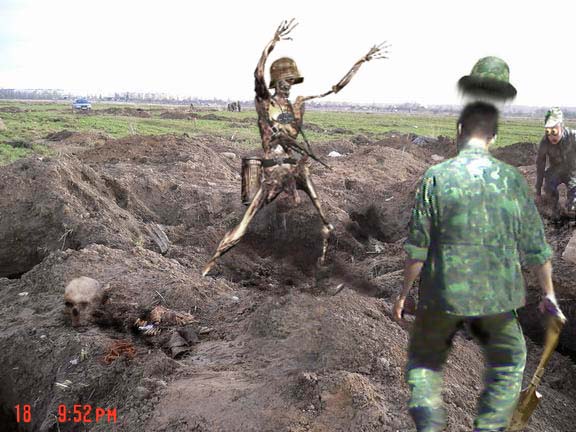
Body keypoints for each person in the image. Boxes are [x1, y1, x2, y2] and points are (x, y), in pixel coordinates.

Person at [393, 100, 563, 432]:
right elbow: (536, 248)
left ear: (459, 133)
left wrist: (403, 294)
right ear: (494, 138)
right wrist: (548, 294)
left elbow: (417, 249)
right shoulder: (511, 180)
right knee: (511, 361)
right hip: (495, 298)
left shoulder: (435, 177)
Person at [202, 19, 388, 276]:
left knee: (322, 215)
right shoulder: (265, 103)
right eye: (284, 80)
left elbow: (333, 89)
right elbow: (257, 72)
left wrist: (360, 62)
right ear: (276, 82)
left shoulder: (297, 103)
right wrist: (272, 41)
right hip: (273, 169)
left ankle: (319, 258)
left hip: (294, 167)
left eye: (291, 80)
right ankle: (210, 265)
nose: (288, 85)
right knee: (243, 226)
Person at [535, 107, 576, 213]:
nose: (551, 136)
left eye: (554, 131)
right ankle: (555, 210)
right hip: (555, 171)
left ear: (561, 126)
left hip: (572, 171)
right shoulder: (544, 143)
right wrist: (538, 192)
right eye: (548, 131)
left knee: (574, 199)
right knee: (549, 190)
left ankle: (571, 208)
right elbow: (540, 166)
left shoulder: (573, 137)